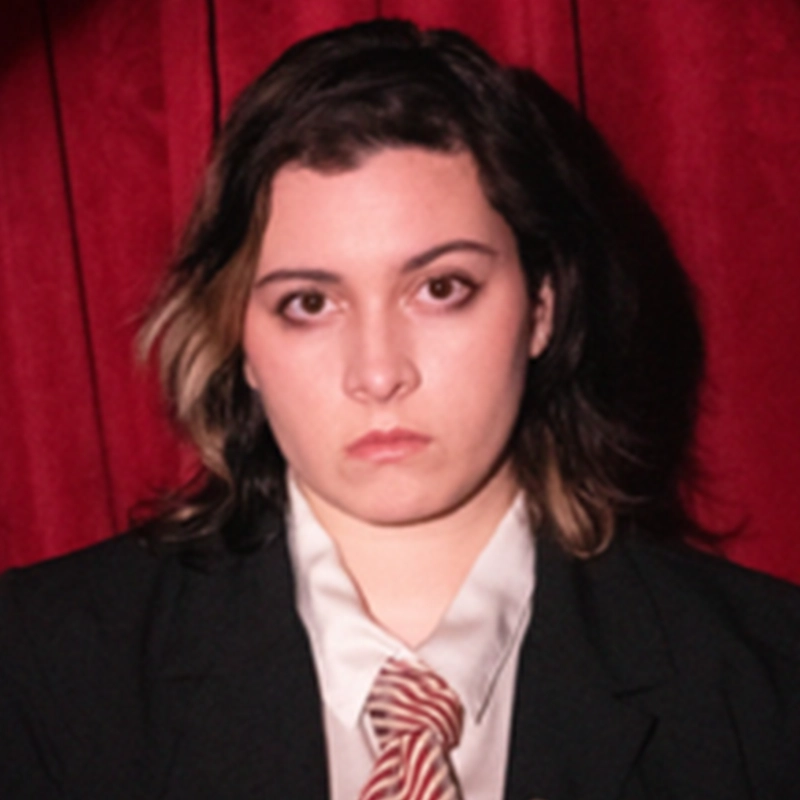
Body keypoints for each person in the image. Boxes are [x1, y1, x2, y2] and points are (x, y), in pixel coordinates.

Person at [1, 18, 799, 800]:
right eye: (309, 302)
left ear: (543, 307)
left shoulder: (766, 685)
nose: (377, 374)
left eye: (441, 288)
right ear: (237, 334)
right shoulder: (36, 671)